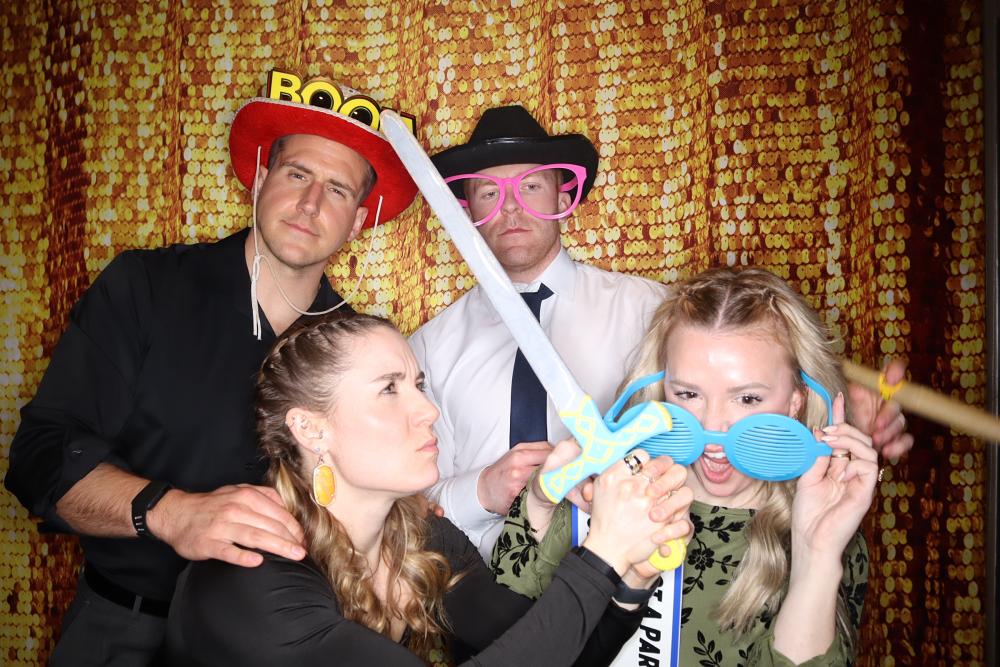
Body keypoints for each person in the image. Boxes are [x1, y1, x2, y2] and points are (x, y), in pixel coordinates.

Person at [4, 78, 418, 664]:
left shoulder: (361, 349)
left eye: (337, 189)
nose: (310, 204)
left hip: (278, 647)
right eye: (297, 174)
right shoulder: (143, 288)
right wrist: (171, 512)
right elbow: (40, 456)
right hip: (122, 630)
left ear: (357, 220)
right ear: (260, 179)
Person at [409, 104, 913, 561]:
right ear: (467, 210)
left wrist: (843, 414)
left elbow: (756, 405)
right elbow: (404, 499)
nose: (511, 208)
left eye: (531, 187)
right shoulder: (427, 349)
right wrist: (481, 490)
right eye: (490, 193)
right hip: (482, 592)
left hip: (635, 585)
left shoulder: (655, 310)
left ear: (564, 194)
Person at [165, 312, 695, 666]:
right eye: (388, 390)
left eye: (418, 385)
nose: (428, 410)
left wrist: (630, 578)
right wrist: (600, 556)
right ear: (311, 429)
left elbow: (548, 651)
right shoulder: (249, 573)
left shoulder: (419, 535)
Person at [493, 267, 879, 665]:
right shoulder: (614, 492)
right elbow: (506, 634)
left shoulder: (823, 525)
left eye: (747, 399)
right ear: (662, 387)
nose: (713, 425)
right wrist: (540, 503)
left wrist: (816, 554)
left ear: (796, 400)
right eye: (689, 394)